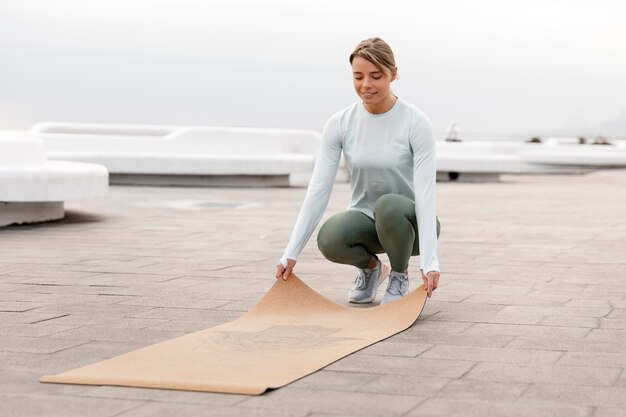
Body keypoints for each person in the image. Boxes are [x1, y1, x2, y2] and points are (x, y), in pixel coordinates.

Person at [275, 37, 441, 304]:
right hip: (367, 222)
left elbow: (425, 193)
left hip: (412, 226)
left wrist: (431, 261)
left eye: (376, 76)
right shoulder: (340, 123)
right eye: (358, 76)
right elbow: (318, 189)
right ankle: (372, 270)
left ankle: (399, 275)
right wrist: (290, 252)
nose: (366, 85)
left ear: (393, 74)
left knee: (388, 206)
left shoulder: (415, 122)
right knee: (330, 238)